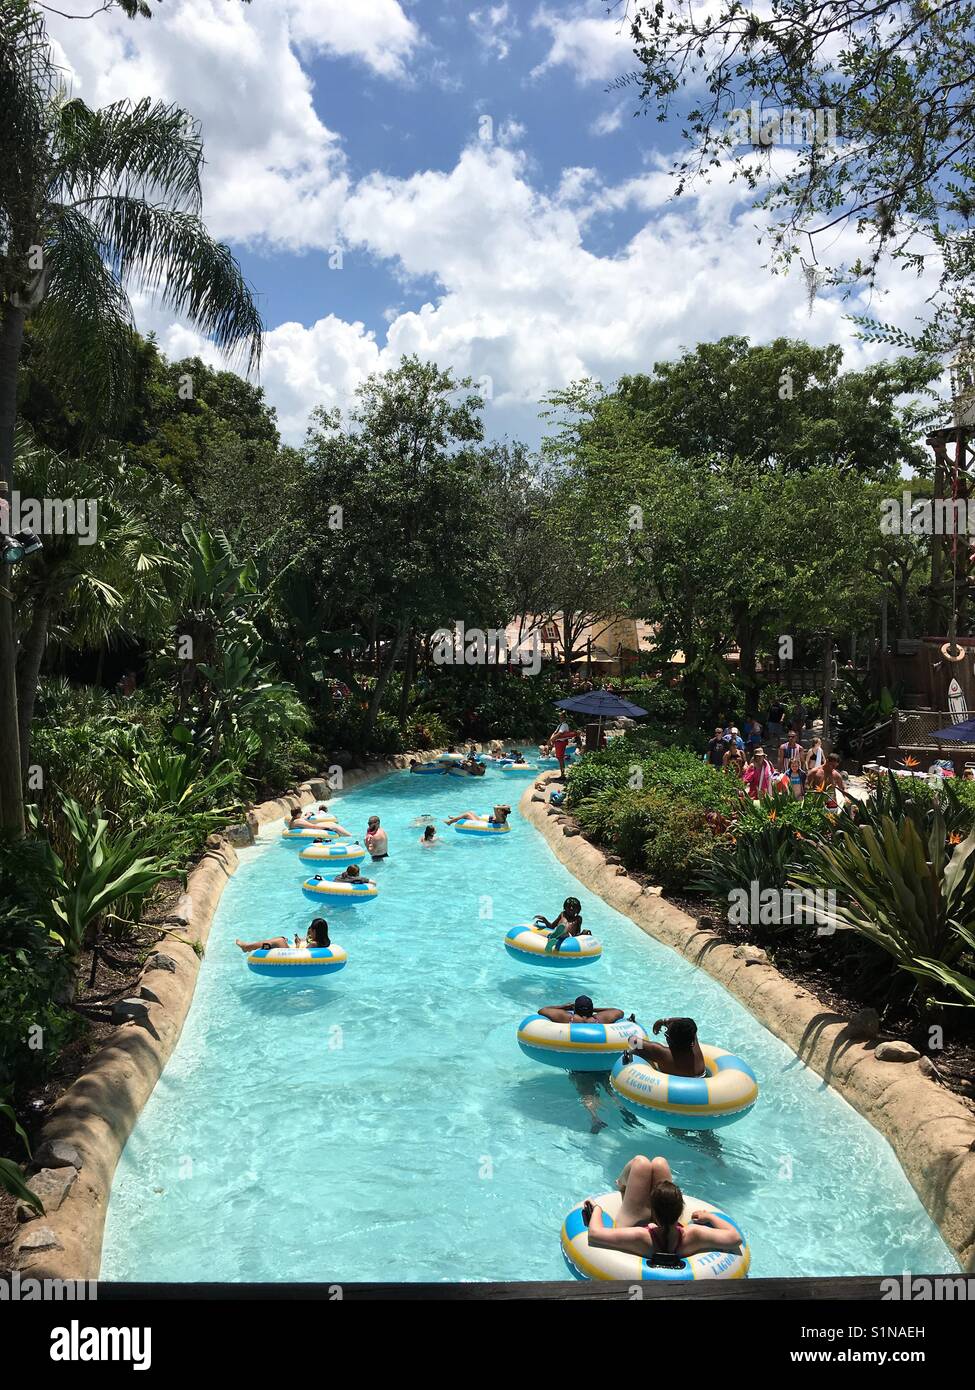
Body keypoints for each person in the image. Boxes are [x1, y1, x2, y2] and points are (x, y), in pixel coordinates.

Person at [582, 1155, 743, 1261]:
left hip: (635, 1222)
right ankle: (626, 1184)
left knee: (641, 1162)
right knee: (660, 1163)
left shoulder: (639, 1236)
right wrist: (710, 1217)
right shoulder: (694, 1235)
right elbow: (735, 1238)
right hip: (671, 1232)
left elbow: (594, 1234)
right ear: (680, 1211)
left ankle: (621, 1183)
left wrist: (598, 1209)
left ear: (653, 1210)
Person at [622, 1016, 706, 1078]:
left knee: (636, 1052)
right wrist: (664, 1021)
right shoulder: (694, 1046)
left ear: (670, 1040)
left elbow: (632, 1041)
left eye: (666, 1034)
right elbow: (688, 1022)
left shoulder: (662, 1053)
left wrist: (663, 1021)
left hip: (667, 1093)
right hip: (701, 1084)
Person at [236, 919, 330, 952]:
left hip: (293, 956)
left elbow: (300, 954)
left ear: (316, 932)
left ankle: (247, 947)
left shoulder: (313, 944)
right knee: (281, 938)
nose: (310, 932)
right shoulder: (323, 941)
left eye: (312, 930)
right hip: (293, 952)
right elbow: (307, 943)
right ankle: (249, 947)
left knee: (280, 941)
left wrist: (297, 944)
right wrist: (301, 940)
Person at [538, 994, 626, 1026]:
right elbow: (619, 1012)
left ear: (575, 1009)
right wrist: (595, 1009)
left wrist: (564, 1007)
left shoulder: (566, 1017)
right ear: (591, 1009)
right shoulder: (599, 1019)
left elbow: (542, 1010)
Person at [777, 729, 805, 798]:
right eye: (789, 736)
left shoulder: (800, 748)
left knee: (798, 788)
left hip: (797, 773)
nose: (790, 738)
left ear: (796, 737)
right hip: (787, 772)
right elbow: (780, 760)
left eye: (793, 737)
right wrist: (779, 772)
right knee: (786, 790)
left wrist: (804, 771)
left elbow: (802, 761)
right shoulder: (783, 747)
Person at [446, 804, 510, 826]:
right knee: (471, 812)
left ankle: (449, 822)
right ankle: (455, 818)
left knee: (467, 814)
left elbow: (495, 807)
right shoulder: (502, 815)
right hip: (482, 822)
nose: (498, 810)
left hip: (480, 824)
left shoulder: (500, 817)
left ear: (502, 812)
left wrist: (499, 807)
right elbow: (506, 807)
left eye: (500, 809)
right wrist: (503, 807)